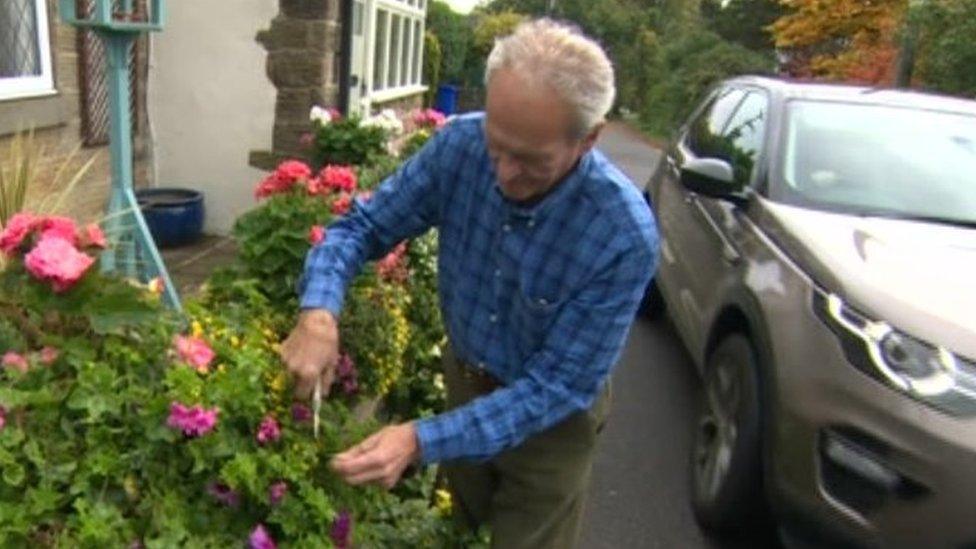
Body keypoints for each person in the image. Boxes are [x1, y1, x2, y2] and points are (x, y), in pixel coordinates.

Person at [281, 18, 659, 548]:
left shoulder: (622, 235)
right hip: (465, 379)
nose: (504, 173)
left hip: (552, 425)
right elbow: (362, 227)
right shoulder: (460, 146)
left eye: (531, 161)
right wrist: (318, 313)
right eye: (497, 146)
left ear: (588, 139)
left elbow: (557, 388)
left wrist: (419, 439)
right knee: (460, 532)